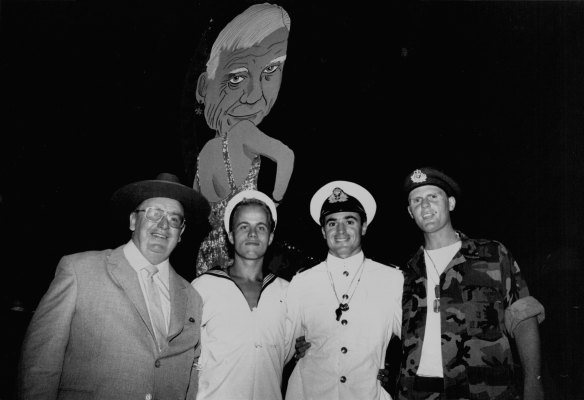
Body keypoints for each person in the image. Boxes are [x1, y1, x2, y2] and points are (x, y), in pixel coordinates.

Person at [17, 172, 210, 400]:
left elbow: (192, 376)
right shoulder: (79, 271)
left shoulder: (193, 297)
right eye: (153, 213)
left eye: (174, 219)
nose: (163, 225)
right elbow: (39, 365)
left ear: (181, 233)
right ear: (133, 221)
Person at [399, 167, 545, 400]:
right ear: (410, 211)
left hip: (485, 391)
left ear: (451, 204)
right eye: (417, 200)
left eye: (433, 197)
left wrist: (533, 384)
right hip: (418, 393)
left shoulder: (493, 255)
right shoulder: (405, 274)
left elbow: (524, 320)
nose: (425, 206)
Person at [191, 3, 295, 276]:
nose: (253, 95)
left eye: (271, 72)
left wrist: (271, 205)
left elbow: (286, 156)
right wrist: (274, 203)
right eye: (236, 77)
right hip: (228, 250)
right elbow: (285, 156)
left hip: (216, 249)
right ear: (203, 87)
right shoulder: (238, 134)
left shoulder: (216, 146)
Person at [285, 180, 404, 400]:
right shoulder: (302, 281)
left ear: (364, 226)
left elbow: (416, 337)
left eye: (350, 221)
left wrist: (400, 372)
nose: (340, 230)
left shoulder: (392, 280)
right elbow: (281, 345)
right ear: (323, 231)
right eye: (331, 223)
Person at [191, 189, 291, 400]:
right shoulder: (203, 287)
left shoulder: (287, 293)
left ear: (271, 237)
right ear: (230, 235)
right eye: (244, 226)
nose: (252, 234)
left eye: (261, 227)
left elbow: (290, 352)